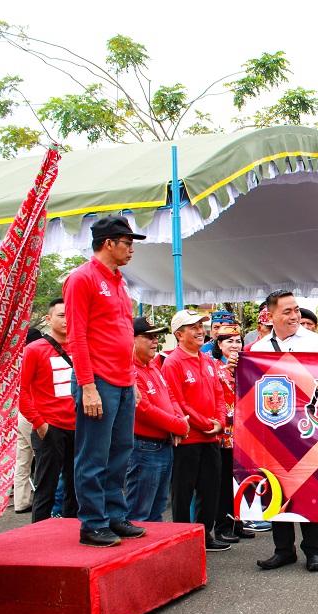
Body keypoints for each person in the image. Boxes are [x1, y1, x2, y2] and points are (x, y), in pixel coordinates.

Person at [62, 214, 146, 548]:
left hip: (123, 380)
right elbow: (77, 337)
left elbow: (124, 332)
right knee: (93, 455)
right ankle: (92, 522)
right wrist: (87, 386)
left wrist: (133, 379)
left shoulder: (119, 281)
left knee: (120, 453)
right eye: (127, 243)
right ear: (108, 243)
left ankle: (114, 515)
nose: (131, 250)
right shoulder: (81, 279)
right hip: (96, 380)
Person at [250, 290, 318, 572]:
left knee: (309, 489)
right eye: (286, 311)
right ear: (270, 316)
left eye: (296, 310)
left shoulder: (317, 344)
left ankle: (314, 551)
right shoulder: (258, 350)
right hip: (272, 431)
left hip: (310, 429)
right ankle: (283, 549)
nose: (294, 315)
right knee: (275, 488)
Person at [162, 310, 229, 552]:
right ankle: (181, 537)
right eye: (193, 327)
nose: (200, 330)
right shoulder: (172, 362)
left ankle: (204, 534)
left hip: (212, 435)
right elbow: (177, 402)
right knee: (183, 490)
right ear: (179, 335)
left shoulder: (208, 360)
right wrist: (206, 424)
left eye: (201, 325)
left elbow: (219, 394)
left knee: (210, 488)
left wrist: (219, 422)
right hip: (188, 438)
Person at [20, 298, 78, 523]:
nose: (66, 320)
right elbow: (22, 391)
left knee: (75, 487)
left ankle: (74, 532)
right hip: (50, 427)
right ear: (48, 318)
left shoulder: (81, 346)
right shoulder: (34, 350)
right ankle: (38, 538)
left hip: (79, 426)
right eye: (61, 315)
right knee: (46, 487)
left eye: (70, 314)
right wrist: (39, 423)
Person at [126, 317, 188, 523]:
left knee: (158, 507)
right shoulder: (128, 370)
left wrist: (180, 421)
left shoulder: (153, 365)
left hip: (163, 444)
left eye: (156, 337)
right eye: (148, 337)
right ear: (131, 339)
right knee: (140, 510)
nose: (155, 341)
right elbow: (142, 410)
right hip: (144, 447)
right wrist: (179, 425)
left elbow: (170, 396)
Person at [209, 323, 246, 544]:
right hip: (224, 435)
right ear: (219, 344)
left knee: (238, 481)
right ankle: (223, 526)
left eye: (238, 341)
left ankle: (238, 523)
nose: (234, 345)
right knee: (222, 484)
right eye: (229, 341)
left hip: (243, 435)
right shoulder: (213, 366)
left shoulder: (247, 366)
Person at [13, 327, 44, 514]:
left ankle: (21, 501)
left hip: (21, 413)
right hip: (32, 412)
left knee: (23, 461)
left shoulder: (19, 359)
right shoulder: (35, 355)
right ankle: (44, 502)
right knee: (43, 460)